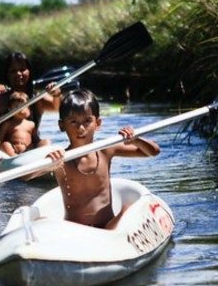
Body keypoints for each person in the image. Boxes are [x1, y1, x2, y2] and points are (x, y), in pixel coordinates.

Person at [43, 88, 161, 229]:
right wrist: (48, 165)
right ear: (62, 125)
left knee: (127, 209)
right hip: (74, 229)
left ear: (97, 123)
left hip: (108, 227)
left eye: (87, 121)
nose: (81, 128)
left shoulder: (106, 149)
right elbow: (28, 175)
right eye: (73, 122)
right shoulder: (60, 159)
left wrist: (136, 140)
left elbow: (153, 152)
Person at [0, 52, 59, 151]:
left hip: (31, 148)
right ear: (7, 74)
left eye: (22, 69)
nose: (18, 74)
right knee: (5, 146)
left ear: (29, 71)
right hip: (7, 150)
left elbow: (56, 107)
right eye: (13, 71)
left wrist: (56, 94)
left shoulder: (37, 98)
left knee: (46, 143)